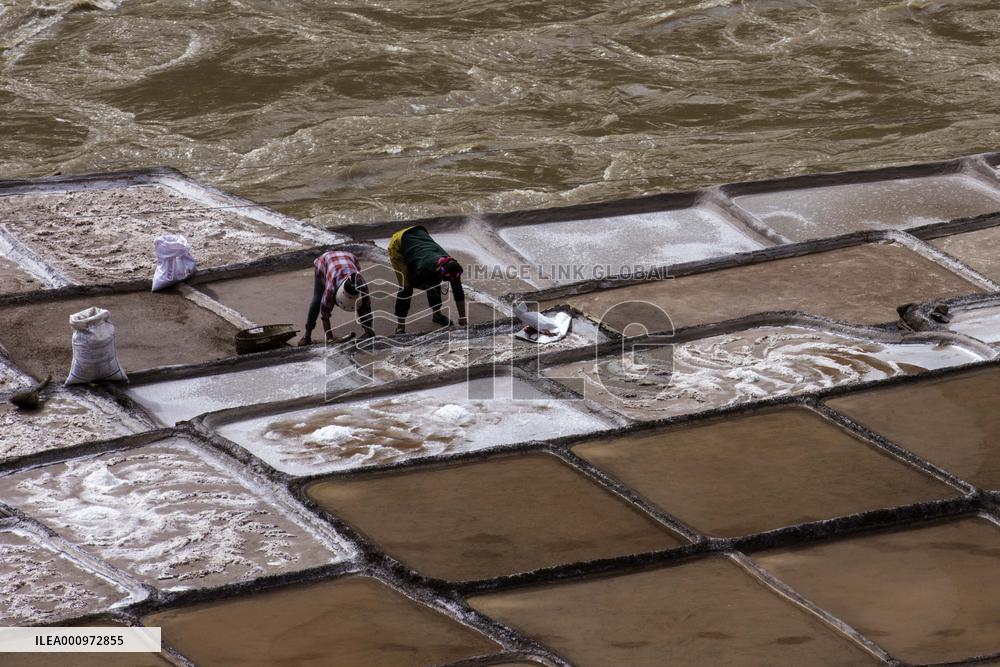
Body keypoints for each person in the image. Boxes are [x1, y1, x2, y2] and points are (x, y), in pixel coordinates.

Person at [387, 225, 468, 334]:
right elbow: (413, 282)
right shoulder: (424, 268)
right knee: (406, 288)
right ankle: (400, 327)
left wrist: (463, 318)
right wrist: (428, 287)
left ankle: (437, 315)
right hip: (398, 243)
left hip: (419, 233)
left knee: (435, 282)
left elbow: (458, 292)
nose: (452, 281)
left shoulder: (453, 267)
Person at [298, 250, 374, 345]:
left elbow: (366, 306)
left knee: (361, 305)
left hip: (349, 258)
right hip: (325, 261)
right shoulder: (331, 290)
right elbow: (324, 314)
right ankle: (306, 336)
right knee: (317, 298)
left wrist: (369, 330)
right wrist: (330, 337)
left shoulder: (361, 286)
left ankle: (367, 330)